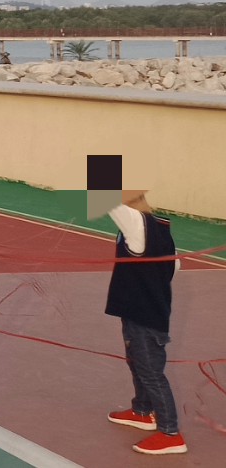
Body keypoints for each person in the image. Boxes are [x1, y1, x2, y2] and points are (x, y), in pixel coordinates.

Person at [105, 191, 187, 455]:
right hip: (142, 310)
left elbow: (101, 197)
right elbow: (174, 269)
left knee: (151, 372)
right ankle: (142, 411)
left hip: (145, 316)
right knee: (138, 363)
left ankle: (171, 433)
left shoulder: (137, 223)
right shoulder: (159, 228)